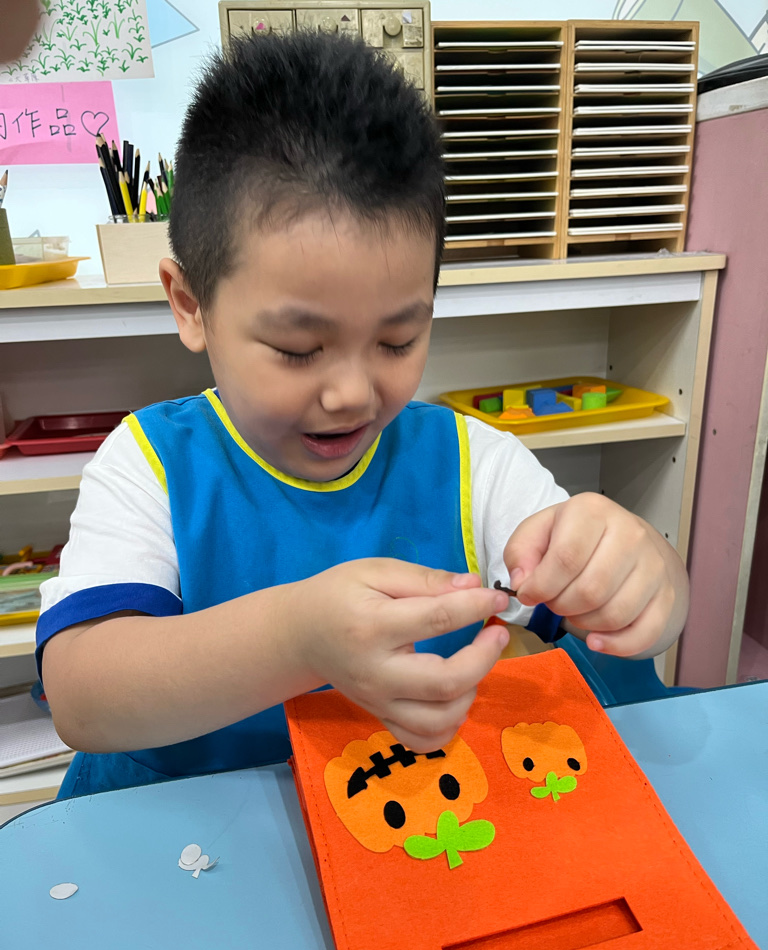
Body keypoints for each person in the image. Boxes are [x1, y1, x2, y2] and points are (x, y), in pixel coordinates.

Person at [39, 31, 688, 799]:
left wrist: (646, 579)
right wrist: (298, 640)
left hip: (406, 828)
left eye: (397, 340)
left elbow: (605, 607)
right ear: (191, 305)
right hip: (189, 836)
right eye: (297, 348)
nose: (352, 393)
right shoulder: (150, 465)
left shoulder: (471, 465)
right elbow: (81, 695)